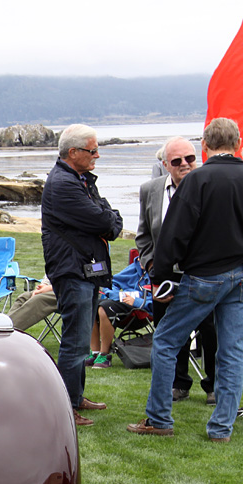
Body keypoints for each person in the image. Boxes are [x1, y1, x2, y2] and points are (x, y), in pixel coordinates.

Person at [128, 118, 243, 442]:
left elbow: (173, 235)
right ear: (237, 144)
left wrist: (162, 279)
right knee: (232, 350)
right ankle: (221, 428)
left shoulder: (198, 181)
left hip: (204, 276)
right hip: (239, 276)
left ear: (204, 146)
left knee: (165, 342)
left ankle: (159, 418)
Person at [41, 123, 123, 427]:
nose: (97, 155)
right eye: (92, 150)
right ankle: (66, 408)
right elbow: (100, 218)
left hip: (85, 269)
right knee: (74, 342)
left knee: (80, 342)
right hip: (72, 270)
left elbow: (107, 216)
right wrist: (107, 221)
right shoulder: (64, 184)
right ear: (73, 152)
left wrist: (107, 220)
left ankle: (75, 397)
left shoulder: (80, 179)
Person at [136, 137, 217, 403]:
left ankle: (214, 385)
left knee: (210, 331)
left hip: (203, 274)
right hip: (164, 276)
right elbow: (144, 235)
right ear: (165, 165)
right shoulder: (151, 190)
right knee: (169, 332)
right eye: (177, 161)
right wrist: (151, 267)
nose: (185, 165)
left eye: (190, 159)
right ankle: (178, 383)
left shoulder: (211, 185)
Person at [86, 258, 151, 368]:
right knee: (91, 305)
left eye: (144, 256)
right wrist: (118, 295)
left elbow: (160, 300)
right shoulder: (134, 268)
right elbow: (111, 282)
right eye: (140, 256)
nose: (140, 260)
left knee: (105, 307)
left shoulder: (160, 272)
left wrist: (137, 301)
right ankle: (95, 353)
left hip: (142, 310)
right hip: (123, 302)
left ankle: (104, 355)